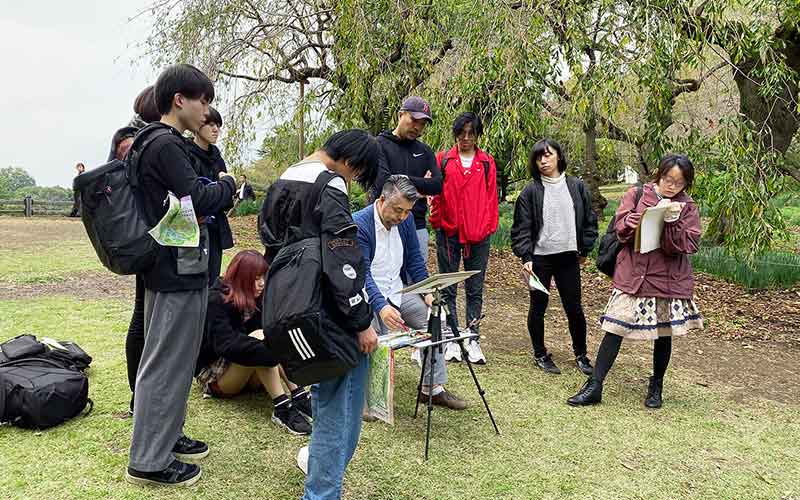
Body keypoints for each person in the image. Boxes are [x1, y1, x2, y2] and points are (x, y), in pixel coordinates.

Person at [125, 64, 236, 488]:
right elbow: (201, 195)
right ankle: (149, 461)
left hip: (172, 266)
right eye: (203, 100)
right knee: (166, 363)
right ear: (179, 101)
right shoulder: (165, 145)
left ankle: (166, 438)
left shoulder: (154, 141)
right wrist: (226, 185)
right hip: (175, 268)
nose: (206, 109)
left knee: (173, 359)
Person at [259, 129, 380, 500]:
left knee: (329, 396)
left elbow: (270, 244)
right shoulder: (331, 185)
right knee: (338, 405)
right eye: (358, 173)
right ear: (351, 161)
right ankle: (322, 491)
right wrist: (361, 322)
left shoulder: (284, 178)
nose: (354, 179)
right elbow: (343, 259)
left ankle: (323, 478)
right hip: (329, 308)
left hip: (291, 302)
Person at [568, 154, 703, 409]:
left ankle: (656, 385)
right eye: (667, 179)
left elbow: (689, 244)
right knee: (615, 326)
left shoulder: (688, 207)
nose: (671, 186)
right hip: (634, 274)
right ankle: (595, 385)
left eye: (678, 182)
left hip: (667, 279)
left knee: (664, 333)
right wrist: (647, 215)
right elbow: (621, 229)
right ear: (659, 175)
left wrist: (672, 223)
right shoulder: (637, 194)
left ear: (686, 184)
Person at [354, 175, 467, 410]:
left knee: (435, 320)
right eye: (398, 210)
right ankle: (366, 398)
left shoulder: (404, 222)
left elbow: (415, 262)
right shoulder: (361, 224)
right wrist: (381, 307)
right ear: (382, 199)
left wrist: (427, 292)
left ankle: (432, 388)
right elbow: (363, 274)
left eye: (407, 212)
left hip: (397, 290)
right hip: (367, 294)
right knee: (375, 337)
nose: (402, 217)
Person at [195, 250, 311, 435]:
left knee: (267, 339)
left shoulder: (258, 298)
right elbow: (225, 345)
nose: (262, 283)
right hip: (218, 376)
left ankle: (299, 396)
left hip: (249, 370)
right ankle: (281, 407)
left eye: (263, 277)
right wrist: (266, 349)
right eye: (256, 278)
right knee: (259, 342)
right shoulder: (216, 299)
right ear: (240, 278)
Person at [510, 139, 598, 376]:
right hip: (540, 259)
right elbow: (521, 228)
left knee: (574, 308)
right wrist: (525, 256)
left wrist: (585, 249)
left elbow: (590, 221)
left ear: (559, 156)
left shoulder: (576, 187)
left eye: (548, 155)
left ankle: (581, 354)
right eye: (539, 157)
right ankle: (540, 353)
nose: (544, 161)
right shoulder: (531, 191)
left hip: (568, 257)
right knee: (538, 307)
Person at [430, 112, 499, 364]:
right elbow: (435, 194)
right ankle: (451, 340)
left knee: (475, 289)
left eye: (471, 133)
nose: (466, 138)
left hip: (478, 235)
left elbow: (492, 197)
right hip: (448, 233)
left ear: (478, 134)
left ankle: (472, 338)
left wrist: (489, 226)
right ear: (455, 133)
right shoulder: (443, 160)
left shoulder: (487, 162)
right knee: (448, 288)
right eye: (462, 133)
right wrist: (437, 221)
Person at [114, 85, 161, 416]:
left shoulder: (132, 135)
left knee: (144, 313)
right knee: (144, 315)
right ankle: (139, 394)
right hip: (146, 236)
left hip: (145, 234)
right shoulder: (137, 139)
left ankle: (142, 393)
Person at [369, 96, 442, 264]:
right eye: (414, 120)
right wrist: (421, 186)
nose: (417, 127)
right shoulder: (378, 145)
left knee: (415, 281)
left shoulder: (425, 151)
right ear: (400, 115)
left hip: (416, 226)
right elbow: (383, 183)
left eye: (423, 124)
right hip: (383, 224)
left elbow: (437, 185)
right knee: (383, 278)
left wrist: (401, 178)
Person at [188, 106, 235, 284]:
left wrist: (224, 190)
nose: (216, 129)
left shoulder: (217, 157)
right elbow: (195, 197)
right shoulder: (186, 154)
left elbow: (226, 198)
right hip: (193, 228)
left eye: (218, 125)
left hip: (215, 228)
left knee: (213, 278)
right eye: (210, 124)